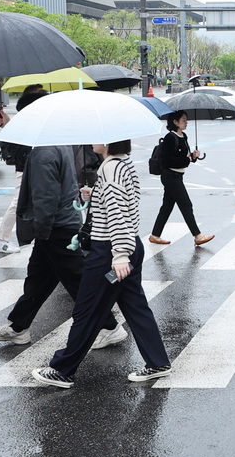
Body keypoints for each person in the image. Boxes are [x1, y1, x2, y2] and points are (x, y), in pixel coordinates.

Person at [32, 139, 173, 387]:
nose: (91, 141)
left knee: (87, 310)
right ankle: (158, 361)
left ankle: (63, 370)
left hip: (110, 252)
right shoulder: (122, 163)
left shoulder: (110, 168)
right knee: (135, 307)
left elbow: (118, 212)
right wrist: (95, 194)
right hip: (129, 246)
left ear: (109, 141)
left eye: (97, 136)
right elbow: (126, 201)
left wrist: (119, 256)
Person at [0, 142, 86, 346]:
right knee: (38, 280)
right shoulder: (62, 144)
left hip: (55, 227)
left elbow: (45, 196)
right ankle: (18, 327)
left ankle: (108, 325)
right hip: (62, 221)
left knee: (77, 281)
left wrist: (41, 231)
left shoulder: (44, 152)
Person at [0, 89, 48, 254]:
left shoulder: (38, 121)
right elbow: (15, 148)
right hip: (25, 169)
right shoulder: (26, 122)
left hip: (37, 168)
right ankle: (2, 239)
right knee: (18, 203)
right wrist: (7, 124)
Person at [149, 112, 213, 247]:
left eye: (186, 120)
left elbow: (185, 158)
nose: (186, 122)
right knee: (186, 205)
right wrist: (187, 159)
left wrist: (194, 156)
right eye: (183, 120)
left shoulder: (183, 136)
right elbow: (168, 161)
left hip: (178, 175)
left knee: (166, 207)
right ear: (175, 122)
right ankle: (198, 235)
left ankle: (155, 235)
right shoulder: (169, 138)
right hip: (170, 176)